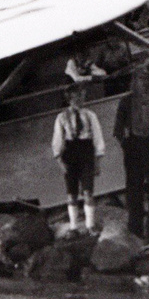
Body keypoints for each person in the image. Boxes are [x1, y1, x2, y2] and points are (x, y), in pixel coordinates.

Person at [112, 63, 149, 238]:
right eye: (140, 79)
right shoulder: (126, 101)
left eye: (147, 79)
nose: (143, 83)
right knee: (134, 190)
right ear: (134, 81)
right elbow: (118, 129)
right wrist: (126, 145)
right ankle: (135, 229)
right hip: (134, 147)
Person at [51, 84, 105, 233]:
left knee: (88, 192)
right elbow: (57, 140)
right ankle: (74, 227)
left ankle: (90, 225)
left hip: (86, 153)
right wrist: (60, 161)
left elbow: (98, 137)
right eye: (76, 97)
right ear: (69, 99)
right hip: (70, 154)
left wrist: (98, 161)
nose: (80, 100)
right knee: (71, 194)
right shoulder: (61, 117)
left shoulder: (90, 115)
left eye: (82, 96)